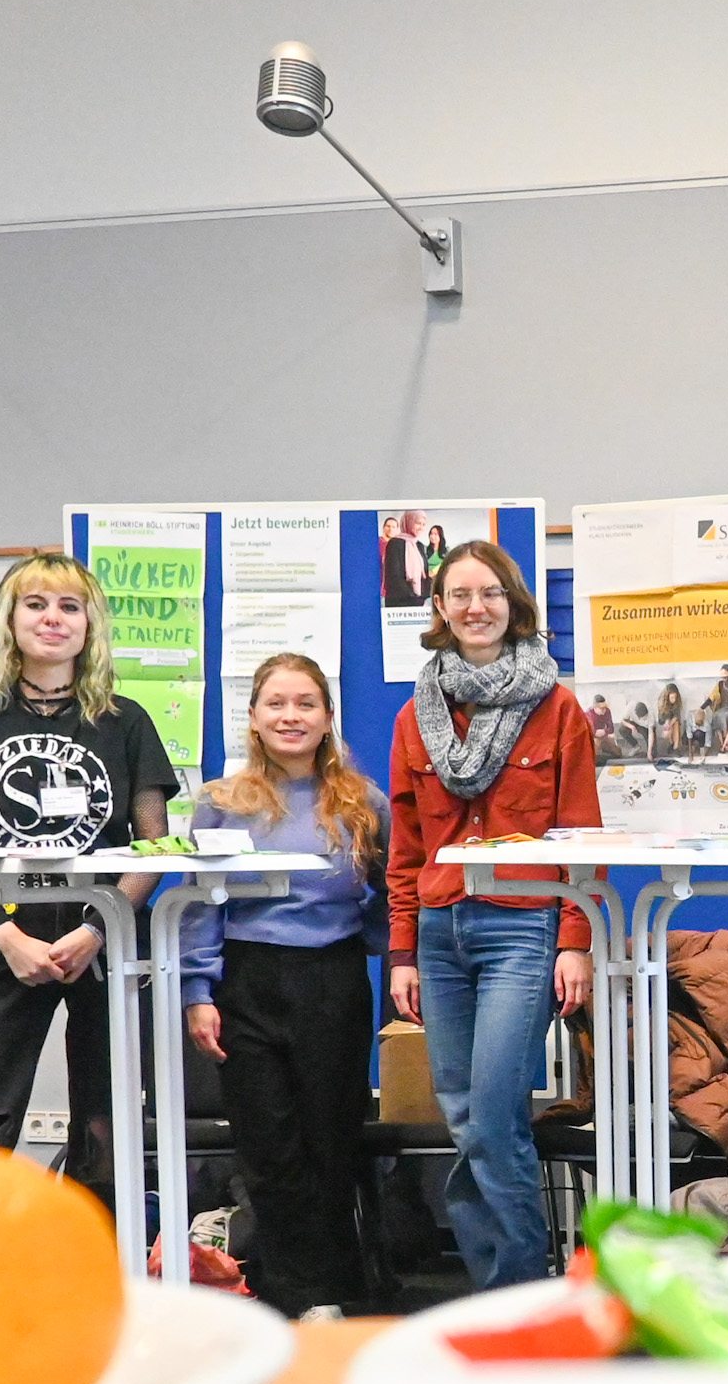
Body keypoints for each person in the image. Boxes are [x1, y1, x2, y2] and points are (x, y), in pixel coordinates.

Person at [0, 553, 175, 1192]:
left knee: (108, 1125)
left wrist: (96, 932)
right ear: (10, 619)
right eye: (36, 604)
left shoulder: (125, 720)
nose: (52, 619)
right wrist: (3, 933)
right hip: (8, 933)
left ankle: (101, 1273)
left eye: (69, 606)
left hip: (104, 939)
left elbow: (154, 848)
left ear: (90, 626)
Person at [389, 538, 596, 1291]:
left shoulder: (558, 706)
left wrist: (576, 939)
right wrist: (403, 950)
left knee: (495, 1109)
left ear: (514, 606)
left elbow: (582, 831)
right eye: (459, 595)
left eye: (490, 594)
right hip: (441, 930)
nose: (475, 608)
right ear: (440, 608)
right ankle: (496, 1289)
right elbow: (407, 845)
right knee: (463, 1113)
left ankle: (519, 1290)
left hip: (525, 924)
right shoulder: (419, 715)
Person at [180, 651, 387, 1318]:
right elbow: (200, 903)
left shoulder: (364, 801)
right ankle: (292, 1294)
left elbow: (391, 897)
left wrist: (398, 957)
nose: (291, 716)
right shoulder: (219, 804)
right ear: (254, 717)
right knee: (268, 1144)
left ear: (328, 717)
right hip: (247, 980)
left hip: (333, 979)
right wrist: (197, 993)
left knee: (329, 1139)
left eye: (306, 703)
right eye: (277, 703)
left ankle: (322, 1294)